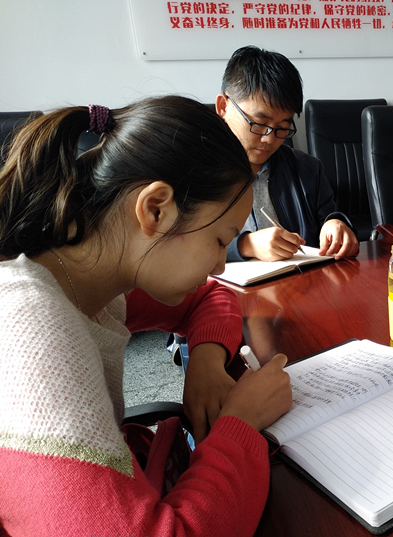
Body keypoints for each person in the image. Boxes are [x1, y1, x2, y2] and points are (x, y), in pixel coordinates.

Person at [0, 96, 293, 536]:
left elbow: (211, 296)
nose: (220, 265)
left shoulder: (90, 277)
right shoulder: (32, 331)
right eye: (220, 240)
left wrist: (206, 364)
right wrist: (241, 422)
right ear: (155, 209)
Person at [217, 45, 359, 262]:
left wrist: (336, 224)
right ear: (223, 107)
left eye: (282, 128)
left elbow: (328, 217)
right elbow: (176, 248)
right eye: (259, 123)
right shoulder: (193, 171)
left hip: (302, 280)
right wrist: (245, 245)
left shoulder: (307, 169)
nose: (269, 138)